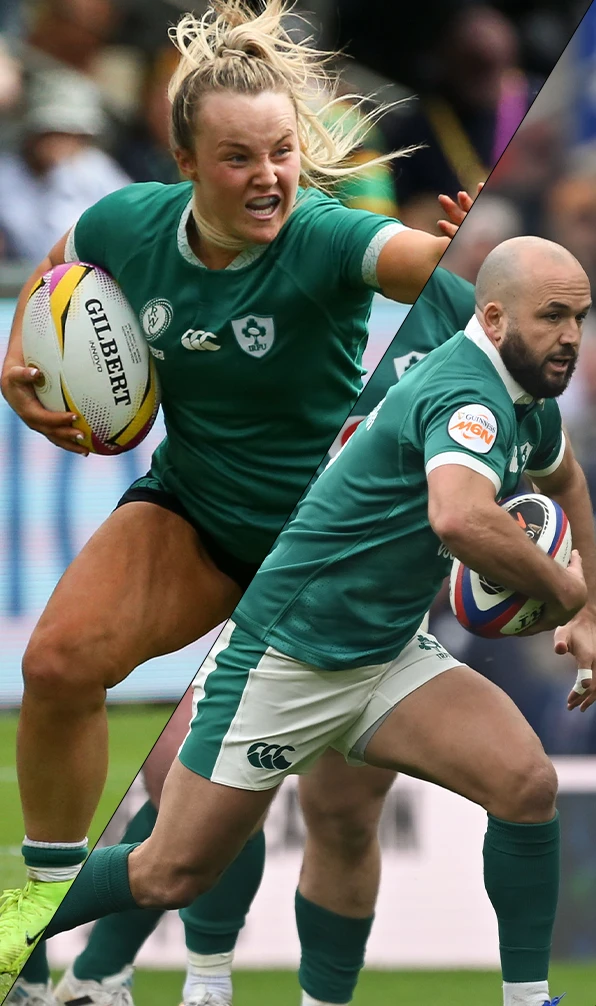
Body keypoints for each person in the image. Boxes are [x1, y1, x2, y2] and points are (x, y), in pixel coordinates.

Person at [0, 0, 471, 988]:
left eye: (280, 155)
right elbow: (56, 278)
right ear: (183, 163)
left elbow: (416, 264)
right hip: (197, 514)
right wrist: (19, 365)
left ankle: (199, 975)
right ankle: (39, 935)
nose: (268, 180)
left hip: (319, 556)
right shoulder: (125, 224)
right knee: (55, 665)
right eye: (238, 159)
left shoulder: (327, 238)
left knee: (248, 799)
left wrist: (459, 256)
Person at [19, 236, 596, 1006]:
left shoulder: (528, 401)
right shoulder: (467, 395)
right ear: (492, 319)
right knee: (169, 868)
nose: (571, 336)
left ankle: (530, 999)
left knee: (524, 784)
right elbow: (459, 519)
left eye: (580, 318)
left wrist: (588, 608)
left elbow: (568, 481)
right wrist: (560, 589)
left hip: (387, 652)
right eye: (553, 315)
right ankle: (43, 944)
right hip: (286, 653)